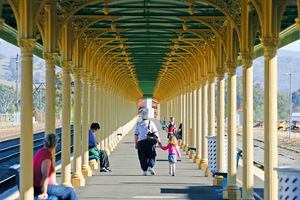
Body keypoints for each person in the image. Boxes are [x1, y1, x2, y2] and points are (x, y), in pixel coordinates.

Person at [33, 133, 78, 200]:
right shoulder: (47, 155)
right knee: (70, 191)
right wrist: (44, 192)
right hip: (42, 187)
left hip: (39, 185)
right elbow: (45, 174)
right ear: (55, 145)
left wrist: (55, 185)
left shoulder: (41, 151)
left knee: (63, 193)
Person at [135, 108, 161, 176]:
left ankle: (144, 171)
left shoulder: (139, 124)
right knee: (152, 155)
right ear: (147, 116)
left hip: (140, 142)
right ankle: (150, 165)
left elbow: (136, 135)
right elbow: (155, 133)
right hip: (150, 142)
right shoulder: (151, 122)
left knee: (142, 156)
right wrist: (159, 141)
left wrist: (136, 143)